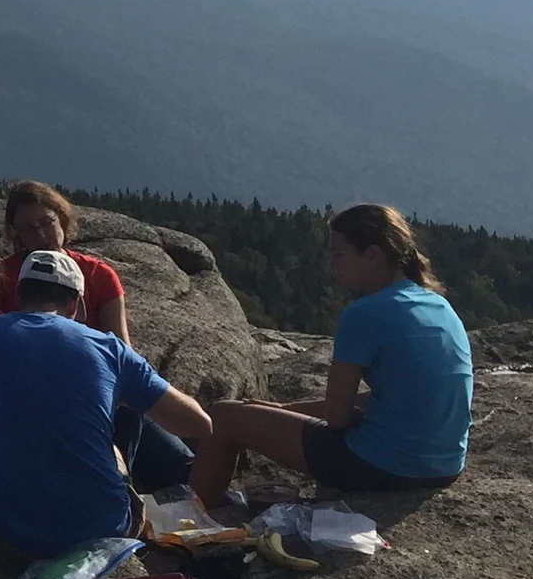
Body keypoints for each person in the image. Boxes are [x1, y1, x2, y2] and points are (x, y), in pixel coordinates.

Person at [0, 248, 213, 560]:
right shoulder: (109, 348)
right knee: (109, 447)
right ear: (76, 302)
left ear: (19, 296)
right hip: (110, 527)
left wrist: (8, 434)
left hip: (11, 534)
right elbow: (199, 424)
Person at [190, 203, 472, 508]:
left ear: (373, 255)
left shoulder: (364, 313)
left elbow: (338, 418)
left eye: (339, 253)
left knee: (223, 417)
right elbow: (399, 400)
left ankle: (188, 521)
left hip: (386, 466)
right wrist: (283, 408)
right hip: (444, 468)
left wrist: (292, 418)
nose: (332, 263)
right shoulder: (439, 306)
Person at [0, 180, 193, 492]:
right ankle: (117, 492)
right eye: (28, 228)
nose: (40, 235)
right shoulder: (2, 279)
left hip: (103, 395)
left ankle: (121, 484)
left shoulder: (98, 274)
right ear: (14, 233)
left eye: (46, 223)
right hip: (40, 398)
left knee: (184, 466)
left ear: (62, 219)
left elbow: (121, 350)